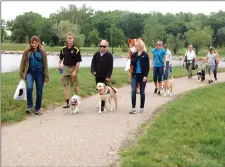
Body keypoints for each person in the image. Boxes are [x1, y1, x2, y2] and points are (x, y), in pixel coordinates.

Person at [19, 35, 49, 115]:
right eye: (33, 43)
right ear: (31, 43)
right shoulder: (27, 51)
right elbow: (22, 62)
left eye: (36, 43)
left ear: (38, 43)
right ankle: (29, 106)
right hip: (29, 73)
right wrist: (21, 74)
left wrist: (46, 76)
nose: (34, 44)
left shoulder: (42, 51)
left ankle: (37, 108)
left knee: (39, 91)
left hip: (40, 73)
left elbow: (45, 64)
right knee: (29, 88)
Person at [58, 33, 82, 108]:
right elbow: (60, 58)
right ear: (66, 39)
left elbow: (78, 62)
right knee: (65, 85)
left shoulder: (76, 50)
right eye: (68, 38)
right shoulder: (63, 49)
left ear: (73, 39)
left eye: (71, 38)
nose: (69, 40)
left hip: (73, 68)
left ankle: (76, 99)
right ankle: (67, 102)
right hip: (65, 68)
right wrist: (59, 64)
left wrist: (75, 71)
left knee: (75, 86)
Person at [91, 40, 113, 111]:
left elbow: (110, 67)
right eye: (101, 46)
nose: (102, 47)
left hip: (105, 76)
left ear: (107, 47)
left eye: (104, 46)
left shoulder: (109, 55)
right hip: (97, 76)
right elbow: (93, 63)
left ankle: (103, 105)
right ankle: (101, 104)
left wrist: (108, 77)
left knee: (104, 91)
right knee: (99, 90)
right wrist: (93, 71)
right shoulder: (96, 54)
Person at [129, 38, 150, 114]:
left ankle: (142, 107)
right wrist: (137, 56)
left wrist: (145, 76)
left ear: (141, 45)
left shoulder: (145, 55)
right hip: (135, 75)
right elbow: (132, 63)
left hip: (142, 76)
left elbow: (147, 67)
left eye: (137, 45)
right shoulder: (134, 54)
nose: (135, 46)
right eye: (135, 45)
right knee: (133, 91)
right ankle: (133, 108)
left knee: (142, 92)